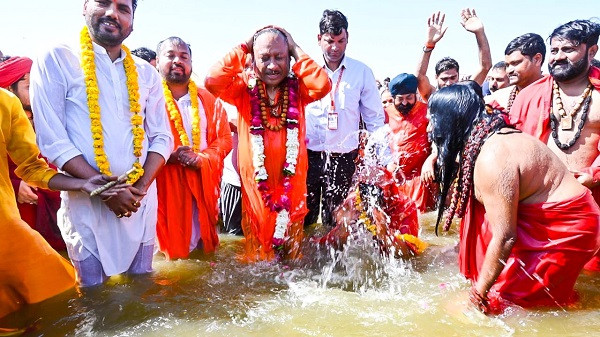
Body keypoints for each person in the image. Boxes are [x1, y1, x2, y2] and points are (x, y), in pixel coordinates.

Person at [30, 0, 174, 286]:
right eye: (103, 2)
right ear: (84, 6)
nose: (112, 12)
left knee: (142, 288)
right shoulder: (57, 58)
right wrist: (107, 189)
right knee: (93, 295)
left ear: (132, 22)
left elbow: (162, 136)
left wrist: (140, 188)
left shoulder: (146, 72)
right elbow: (52, 138)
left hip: (139, 202)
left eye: (123, 8)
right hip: (87, 204)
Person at [430, 82, 599, 314]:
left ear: (450, 120)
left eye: (434, 119)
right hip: (552, 221)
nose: (431, 127)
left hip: (566, 229)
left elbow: (505, 236)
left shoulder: (493, 157)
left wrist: (478, 295)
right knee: (524, 295)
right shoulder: (488, 139)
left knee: (505, 305)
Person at [205, 26, 331, 261]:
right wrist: (244, 45)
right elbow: (213, 80)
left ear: (289, 58)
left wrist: (295, 47)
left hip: (291, 188)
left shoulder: (299, 88)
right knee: (257, 258)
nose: (272, 65)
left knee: (293, 258)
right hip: (256, 191)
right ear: (253, 59)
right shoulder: (243, 87)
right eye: (265, 58)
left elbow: (322, 84)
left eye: (279, 57)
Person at [0, 88, 126, 317]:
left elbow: (30, 167)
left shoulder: (5, 102)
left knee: (60, 302)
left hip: (6, 236)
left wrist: (83, 183)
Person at [510, 20, 600, 272]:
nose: (558, 57)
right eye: (554, 50)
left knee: (590, 278)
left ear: (591, 51)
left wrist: (593, 174)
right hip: (540, 204)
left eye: (568, 50)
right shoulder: (529, 95)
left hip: (592, 203)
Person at [305, 9, 384, 228]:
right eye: (330, 41)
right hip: (308, 156)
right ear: (319, 39)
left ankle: (334, 261)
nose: (335, 47)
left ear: (347, 39)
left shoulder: (362, 72)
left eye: (341, 41)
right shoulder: (305, 71)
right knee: (303, 217)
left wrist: (381, 160)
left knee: (337, 220)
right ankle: (302, 260)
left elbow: (375, 120)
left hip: (343, 158)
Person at [154, 37, 232, 259]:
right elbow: (136, 142)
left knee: (202, 249)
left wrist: (203, 159)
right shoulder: (147, 97)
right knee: (162, 255)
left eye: (184, 56)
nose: (178, 61)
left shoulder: (207, 99)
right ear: (158, 61)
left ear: (191, 62)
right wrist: (167, 156)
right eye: (171, 55)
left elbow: (225, 139)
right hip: (164, 186)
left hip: (201, 184)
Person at [0, 56, 65, 250]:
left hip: (51, 200)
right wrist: (15, 185)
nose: (36, 92)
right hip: (16, 205)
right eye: (28, 87)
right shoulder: (5, 119)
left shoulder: (46, 117)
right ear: (10, 90)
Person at [381, 73, 437, 213]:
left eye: (409, 98)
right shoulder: (384, 114)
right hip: (393, 175)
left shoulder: (427, 112)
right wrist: (387, 163)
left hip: (419, 176)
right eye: (400, 99)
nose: (405, 103)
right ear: (393, 98)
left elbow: (438, 141)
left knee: (419, 219)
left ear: (416, 95)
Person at [415, 9, 492, 102]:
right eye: (444, 79)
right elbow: (420, 77)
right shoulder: (432, 95)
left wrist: (479, 32)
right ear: (436, 77)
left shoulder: (466, 92)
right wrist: (429, 45)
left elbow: (485, 66)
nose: (449, 83)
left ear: (458, 76)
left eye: (453, 77)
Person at [485, 33, 545, 112]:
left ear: (537, 59)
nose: (509, 70)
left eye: (516, 63)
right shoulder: (497, 99)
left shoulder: (556, 94)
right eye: (507, 65)